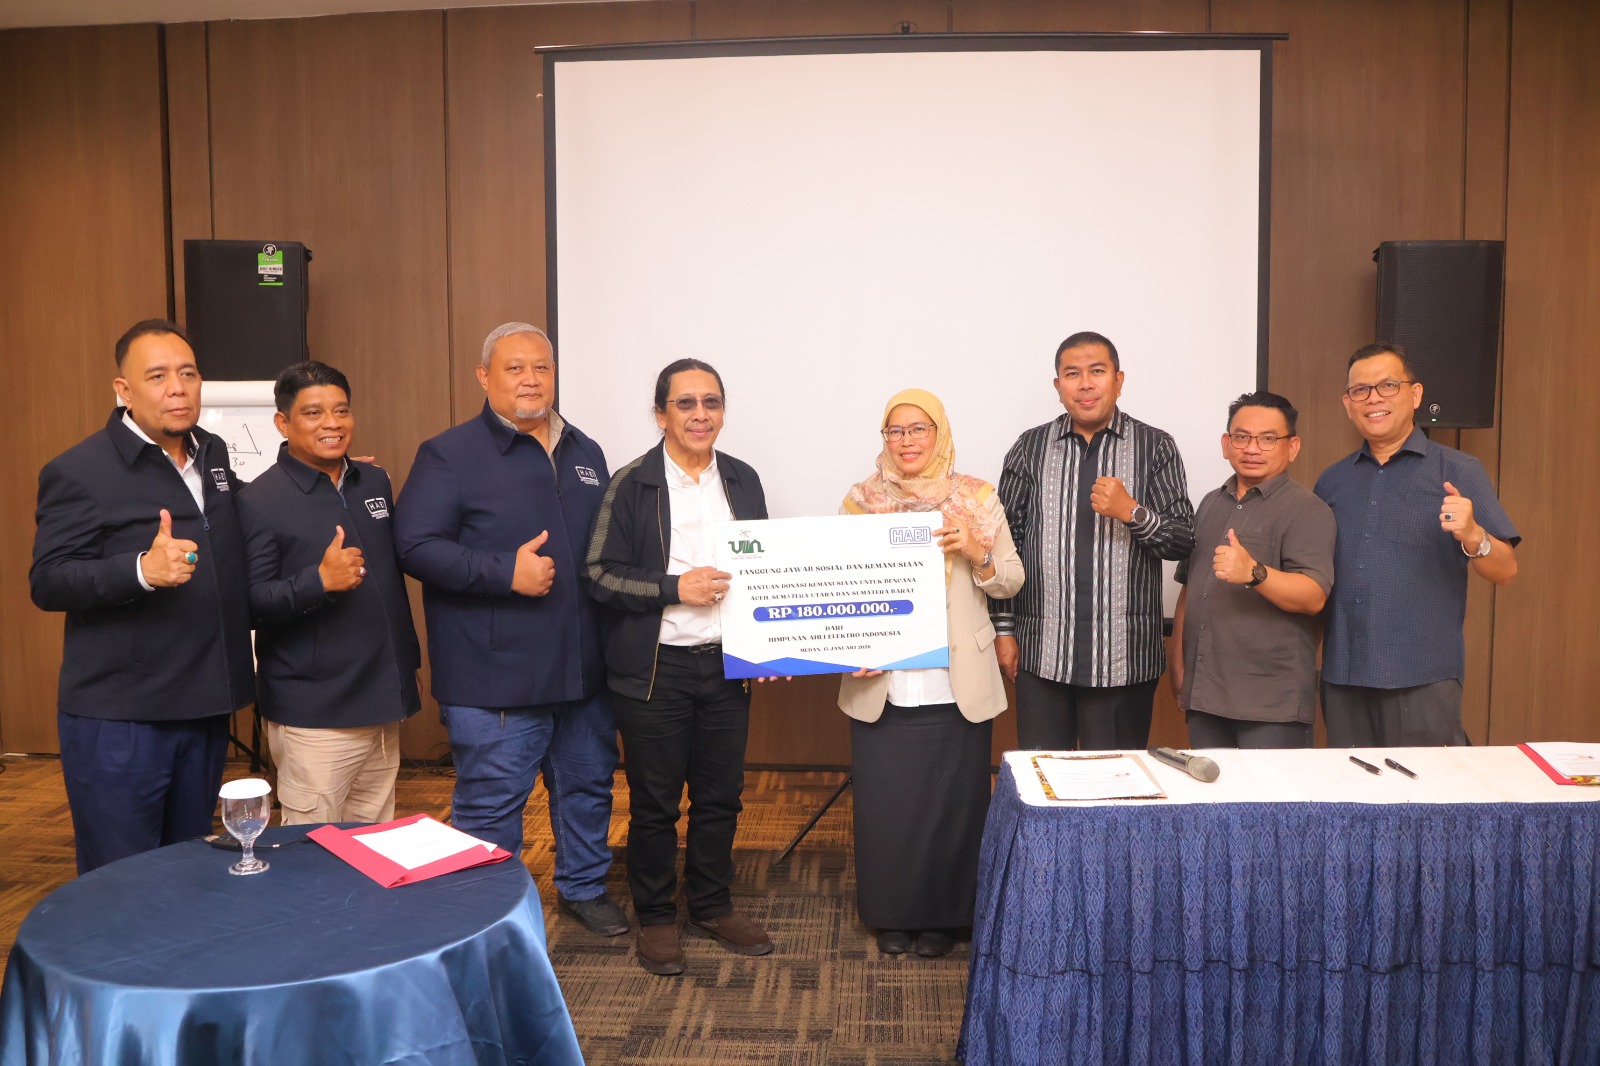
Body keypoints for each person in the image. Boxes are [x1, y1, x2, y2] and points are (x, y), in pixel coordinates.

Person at [394, 322, 626, 937]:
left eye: (541, 368)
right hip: (494, 676)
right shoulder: (449, 454)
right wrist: (504, 572)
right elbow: (414, 545)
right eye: (514, 368)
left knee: (587, 788)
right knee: (492, 804)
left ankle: (583, 887)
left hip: (583, 670)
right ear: (484, 376)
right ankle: (487, 916)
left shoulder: (585, 451)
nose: (530, 380)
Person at [30, 319, 255, 874]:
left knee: (187, 871)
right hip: (122, 720)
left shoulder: (212, 453)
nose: (177, 388)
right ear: (124, 390)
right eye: (157, 377)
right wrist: (140, 571)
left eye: (188, 373)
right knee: (121, 881)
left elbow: (249, 510)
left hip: (203, 706)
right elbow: (49, 580)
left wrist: (322, 477)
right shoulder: (78, 471)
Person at [585, 358, 772, 976]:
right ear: (660, 414)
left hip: (726, 667)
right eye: (685, 403)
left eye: (711, 402)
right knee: (656, 803)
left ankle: (712, 905)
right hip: (655, 670)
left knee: (721, 797)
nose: (700, 415)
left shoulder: (742, 479)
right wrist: (674, 588)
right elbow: (599, 575)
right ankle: (658, 915)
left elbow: (764, 570)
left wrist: (769, 644)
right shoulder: (631, 483)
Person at [837, 389, 1024, 958]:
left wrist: (975, 550)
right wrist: (849, 645)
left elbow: (1010, 579)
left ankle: (946, 916)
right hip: (883, 682)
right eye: (895, 431)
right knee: (886, 807)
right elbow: (841, 583)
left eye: (918, 428)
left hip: (955, 680)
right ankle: (892, 914)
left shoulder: (977, 498)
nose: (907, 441)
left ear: (939, 433)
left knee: (954, 806)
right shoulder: (861, 500)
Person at [236, 361, 421, 824]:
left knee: (373, 843)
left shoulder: (373, 480)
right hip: (314, 715)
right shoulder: (258, 501)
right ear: (283, 423)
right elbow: (250, 603)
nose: (332, 423)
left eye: (341, 410)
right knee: (311, 850)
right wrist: (318, 582)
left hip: (382, 703)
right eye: (313, 413)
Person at [992, 331, 1195, 751]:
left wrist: (1132, 512)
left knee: (1117, 781)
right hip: (1041, 655)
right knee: (1044, 778)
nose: (1085, 384)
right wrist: (1004, 630)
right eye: (1072, 374)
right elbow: (1003, 546)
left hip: (1123, 660)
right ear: (1058, 386)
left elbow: (1182, 541)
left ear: (1118, 380)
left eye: (1097, 371)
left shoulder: (1155, 446)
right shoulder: (1029, 448)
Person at [1314, 342, 1520, 746]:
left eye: (1388, 385)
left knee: (1427, 786)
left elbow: (1507, 570)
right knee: (1348, 785)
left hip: (1422, 676)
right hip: (1344, 675)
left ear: (1415, 394)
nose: (1374, 398)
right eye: (1360, 390)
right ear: (1348, 404)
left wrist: (1474, 535)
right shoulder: (1332, 481)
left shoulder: (1458, 469)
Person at [1169, 391, 1335, 748]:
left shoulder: (1308, 510)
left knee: (1270, 789)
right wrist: (1179, 666)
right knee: (1207, 787)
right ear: (1226, 444)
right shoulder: (1210, 503)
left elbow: (1313, 597)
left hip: (1270, 706)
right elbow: (1190, 587)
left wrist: (1255, 573)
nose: (1252, 448)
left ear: (1292, 447)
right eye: (1242, 437)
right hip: (1205, 695)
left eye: (1268, 439)